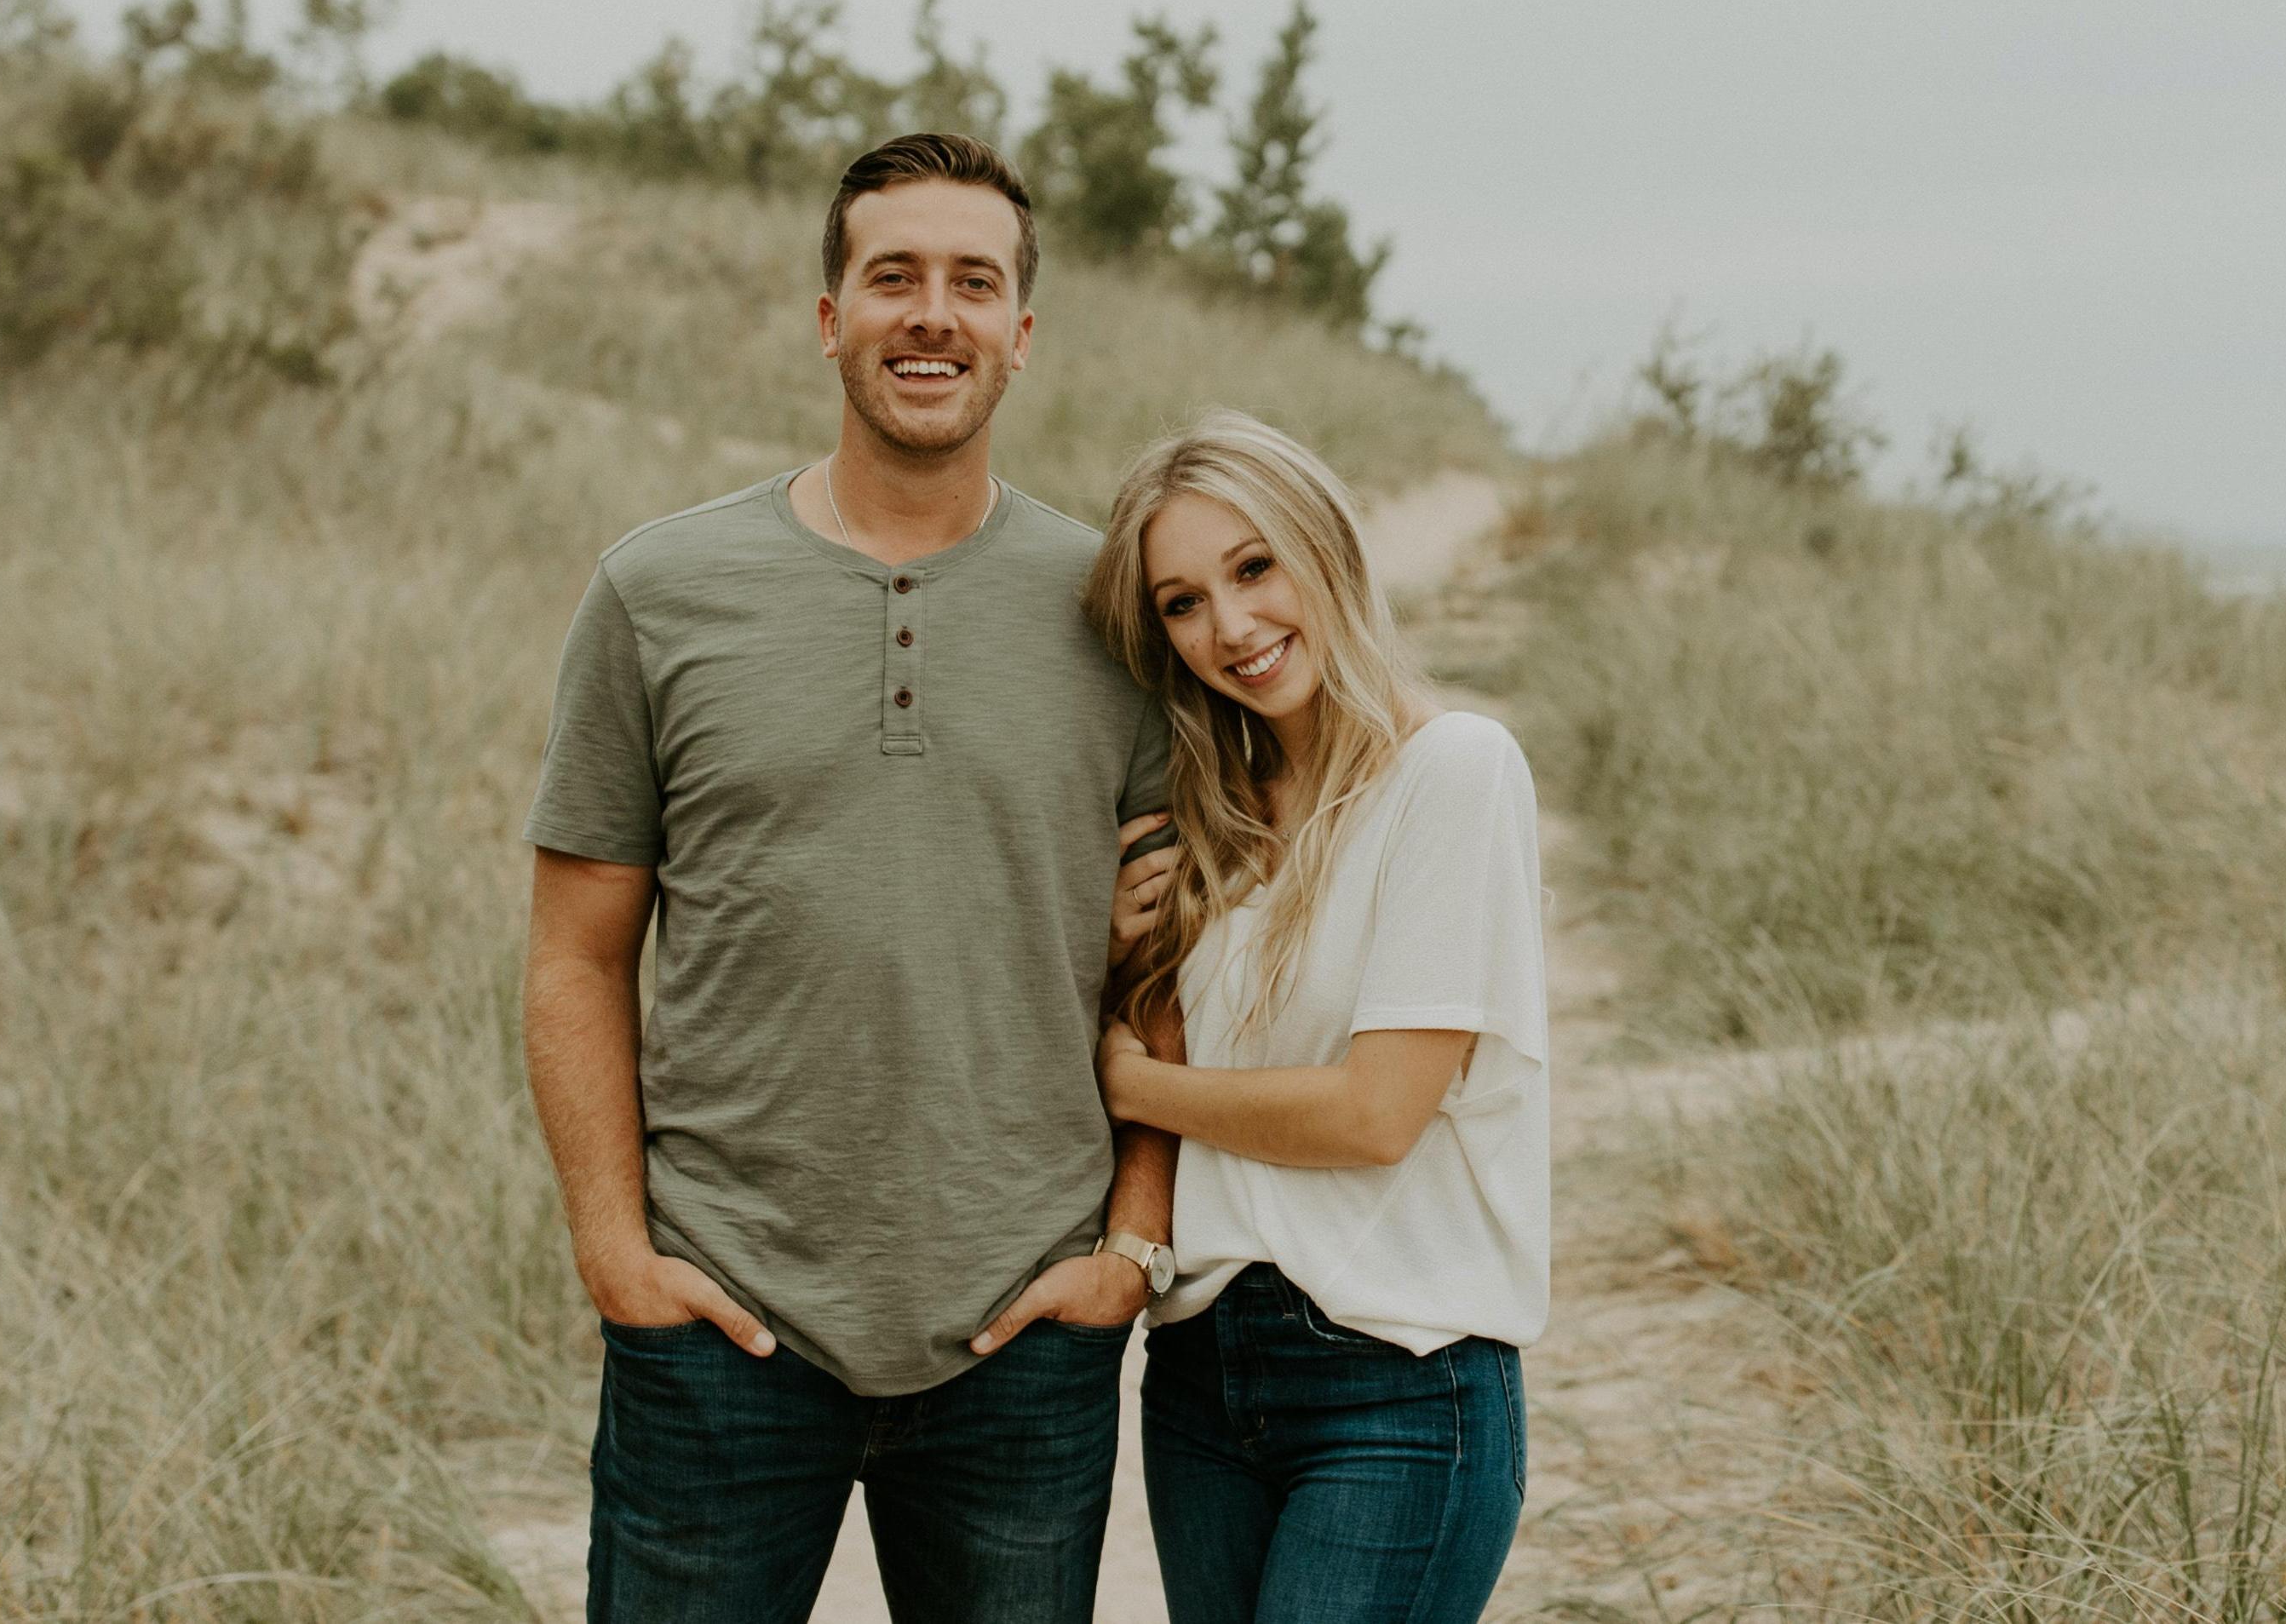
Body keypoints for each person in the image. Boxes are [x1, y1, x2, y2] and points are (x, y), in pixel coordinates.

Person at [518, 133, 1188, 1624]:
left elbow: (1166, 959)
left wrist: (1129, 1246)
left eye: (973, 283)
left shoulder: (1116, 612)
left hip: (1024, 1331)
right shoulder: (658, 592)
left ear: (1022, 331)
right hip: (718, 1321)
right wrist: (616, 1253)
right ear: (831, 318)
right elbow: (574, 952)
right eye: (894, 278)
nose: (931, 314)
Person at [1082, 412, 1548, 1624]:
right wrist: (1116, 949)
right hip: (1199, 1376)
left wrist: (1138, 1088)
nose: (1231, 628)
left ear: (1326, 546)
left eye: (1254, 568)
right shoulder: (1206, 815)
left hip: (1398, 1378)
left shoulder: (1452, 770)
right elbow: (1144, 1031)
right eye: (1183, 604)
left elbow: (1373, 1115)